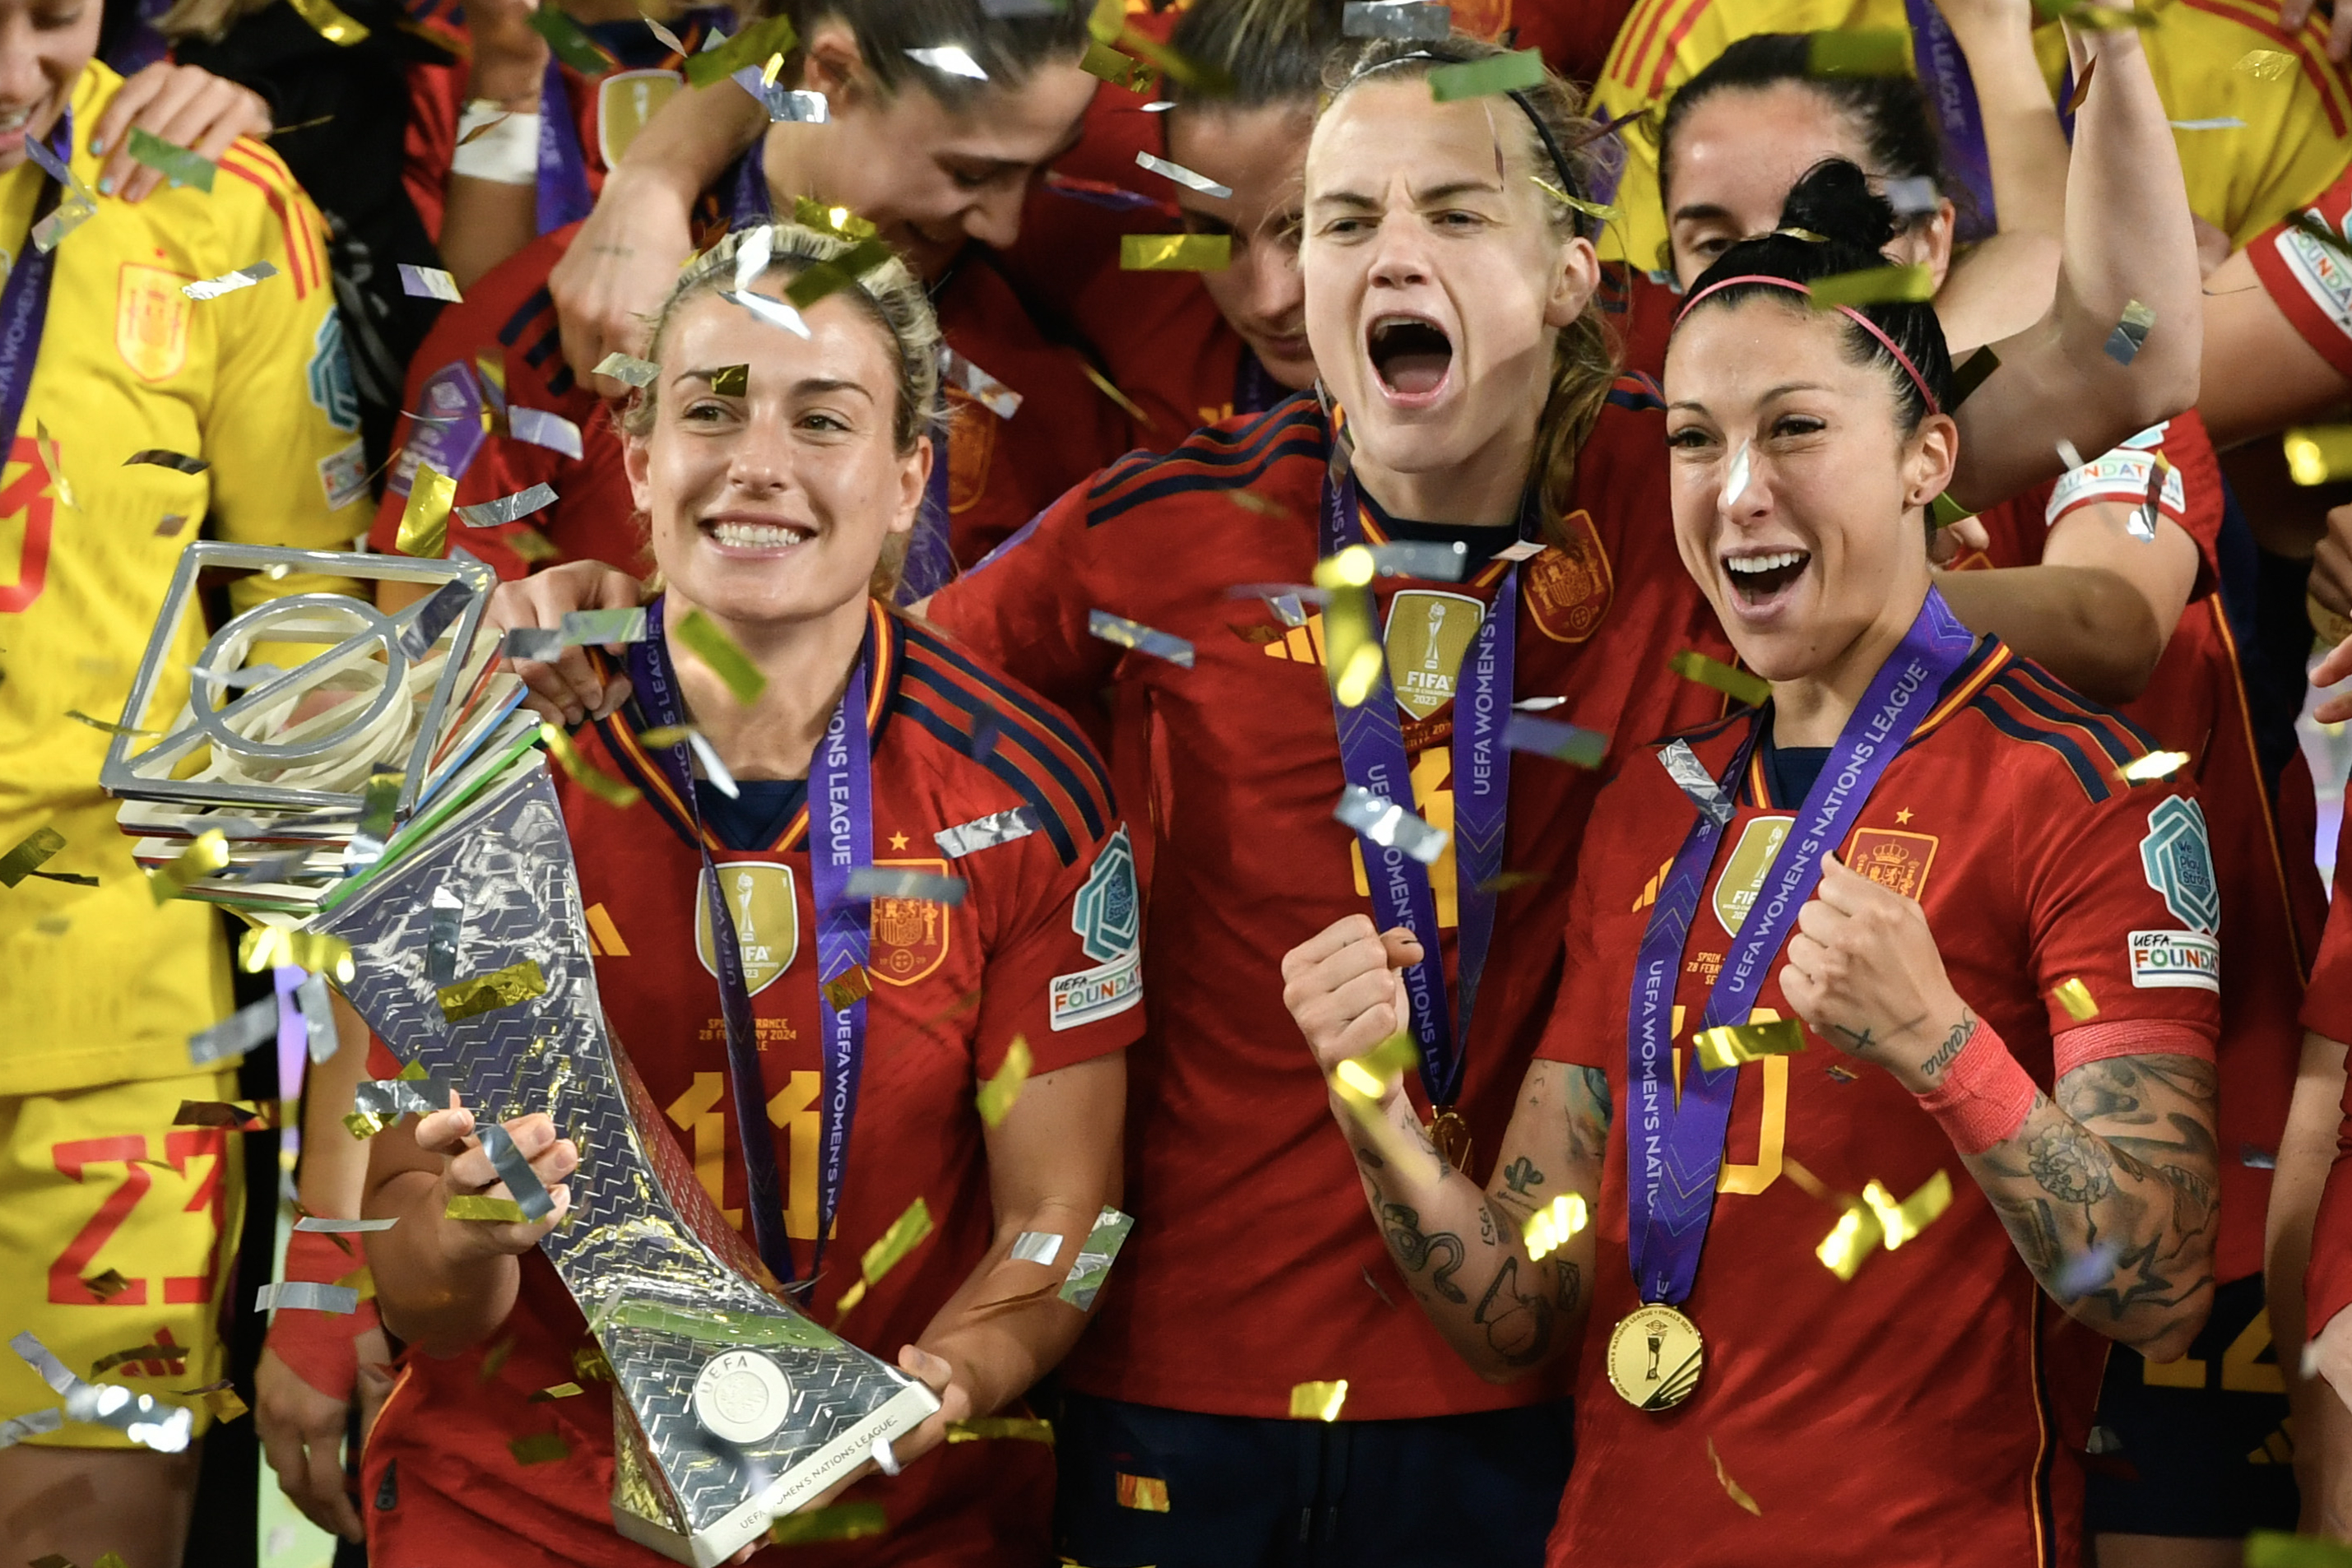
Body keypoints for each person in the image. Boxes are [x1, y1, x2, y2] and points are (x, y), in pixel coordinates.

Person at [1283, 160, 2221, 1566]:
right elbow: (1524, 1319)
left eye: (1793, 430)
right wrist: (1378, 1124)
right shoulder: (1656, 801)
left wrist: (1935, 1042)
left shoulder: (2086, 793)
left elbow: (2153, 1290)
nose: (1734, 494)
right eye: (1690, 439)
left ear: (1923, 461)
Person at [360, 220, 1139, 1566]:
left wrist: (965, 1364)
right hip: (521, 1515)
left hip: (883, 1520)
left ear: (909, 477)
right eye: (711, 410)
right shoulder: (489, 767)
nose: (758, 464)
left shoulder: (1024, 792)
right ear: (641, 456)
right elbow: (411, 1276)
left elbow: (1056, 1220)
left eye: (821, 418)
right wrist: (475, 1235)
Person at [0, 0, 370, 1560]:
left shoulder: (214, 196)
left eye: (55, 20)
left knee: (84, 1536)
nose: (28, 78)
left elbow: (311, 639)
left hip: (120, 1025)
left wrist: (333, 1163)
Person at [367, 0, 1126, 593]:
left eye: (1040, 170)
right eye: (967, 173)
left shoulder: (1058, 314)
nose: (1007, 222)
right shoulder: (574, 314)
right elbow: (426, 618)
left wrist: (655, 171)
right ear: (831, 80)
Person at [1590, 0, 2352, 280]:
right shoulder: (1719, 24)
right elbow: (1631, 371)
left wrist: (2143, 330)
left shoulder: (2272, 64)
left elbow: (2289, 495)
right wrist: (2149, 312)